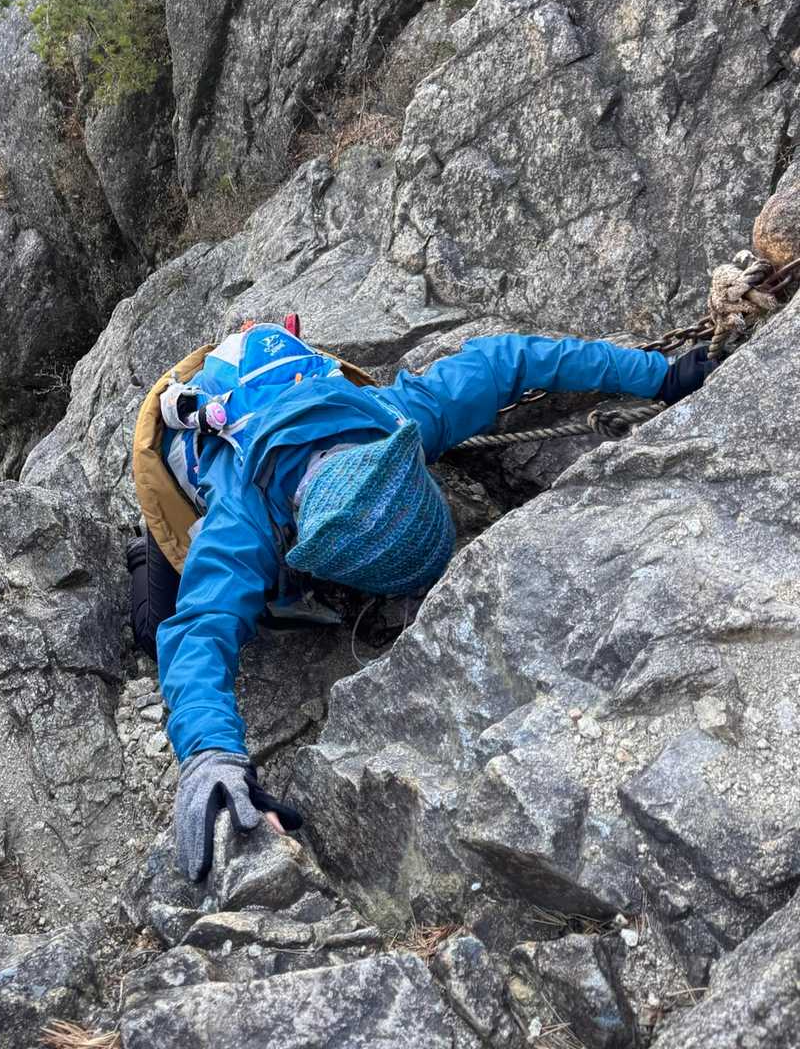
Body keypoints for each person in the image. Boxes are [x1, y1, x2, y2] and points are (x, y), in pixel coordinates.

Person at [127, 324, 714, 881]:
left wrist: (658, 375)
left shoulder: (399, 418)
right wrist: (210, 754)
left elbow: (512, 360)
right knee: (156, 629)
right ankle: (142, 550)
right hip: (199, 442)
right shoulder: (240, 526)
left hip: (288, 398)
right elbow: (199, 630)